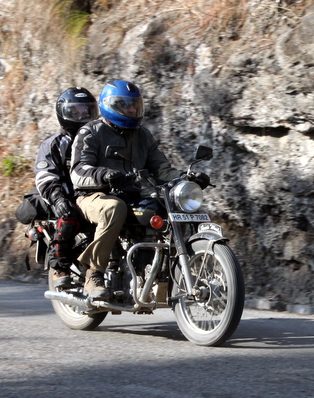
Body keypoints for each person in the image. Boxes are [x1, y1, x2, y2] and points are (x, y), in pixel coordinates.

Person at [70, 80, 210, 300]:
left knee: (169, 205)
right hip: (93, 195)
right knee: (113, 208)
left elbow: (162, 169)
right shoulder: (91, 132)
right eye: (125, 105)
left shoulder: (143, 135)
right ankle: (94, 273)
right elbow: (78, 170)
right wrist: (103, 175)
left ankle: (158, 271)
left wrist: (185, 179)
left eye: (134, 105)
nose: (132, 110)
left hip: (132, 194)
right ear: (110, 105)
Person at [35, 87, 98, 288]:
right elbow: (45, 176)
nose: (82, 115)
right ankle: (60, 265)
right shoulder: (54, 144)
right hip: (67, 197)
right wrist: (58, 198)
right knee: (68, 215)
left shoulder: (97, 140)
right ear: (64, 113)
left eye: (86, 111)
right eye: (75, 111)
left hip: (94, 195)